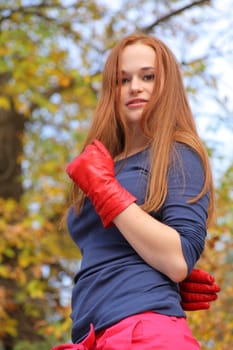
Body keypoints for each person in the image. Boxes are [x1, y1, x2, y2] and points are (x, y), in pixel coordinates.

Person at [52, 33, 220, 350]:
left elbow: (176, 258)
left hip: (143, 332)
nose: (134, 87)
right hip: (92, 335)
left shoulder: (178, 152)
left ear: (166, 86)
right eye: (122, 79)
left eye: (148, 76)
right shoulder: (106, 165)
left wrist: (106, 192)